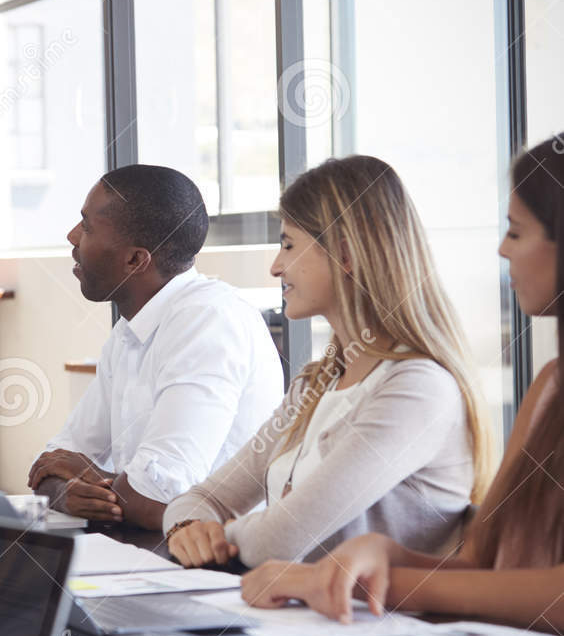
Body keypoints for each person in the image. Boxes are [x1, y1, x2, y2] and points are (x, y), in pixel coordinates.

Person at [241, 135, 563, 631]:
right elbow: (481, 562)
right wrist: (383, 553)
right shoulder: (549, 386)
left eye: (516, 233)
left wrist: (374, 581)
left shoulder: (419, 385)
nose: (501, 250)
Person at [165, 155, 492, 569]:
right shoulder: (315, 385)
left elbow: (276, 542)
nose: (276, 267)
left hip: (376, 612)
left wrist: (216, 534)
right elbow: (203, 498)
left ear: (345, 254)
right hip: (287, 605)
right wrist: (187, 527)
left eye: (288, 244)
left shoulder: (417, 390)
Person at [27, 164, 284, 528]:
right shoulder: (129, 331)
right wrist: (66, 493)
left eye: (86, 227)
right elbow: (50, 463)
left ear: (135, 260)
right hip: (146, 546)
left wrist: (87, 477)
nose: (72, 237)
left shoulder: (208, 320)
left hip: (214, 554)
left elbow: (158, 502)